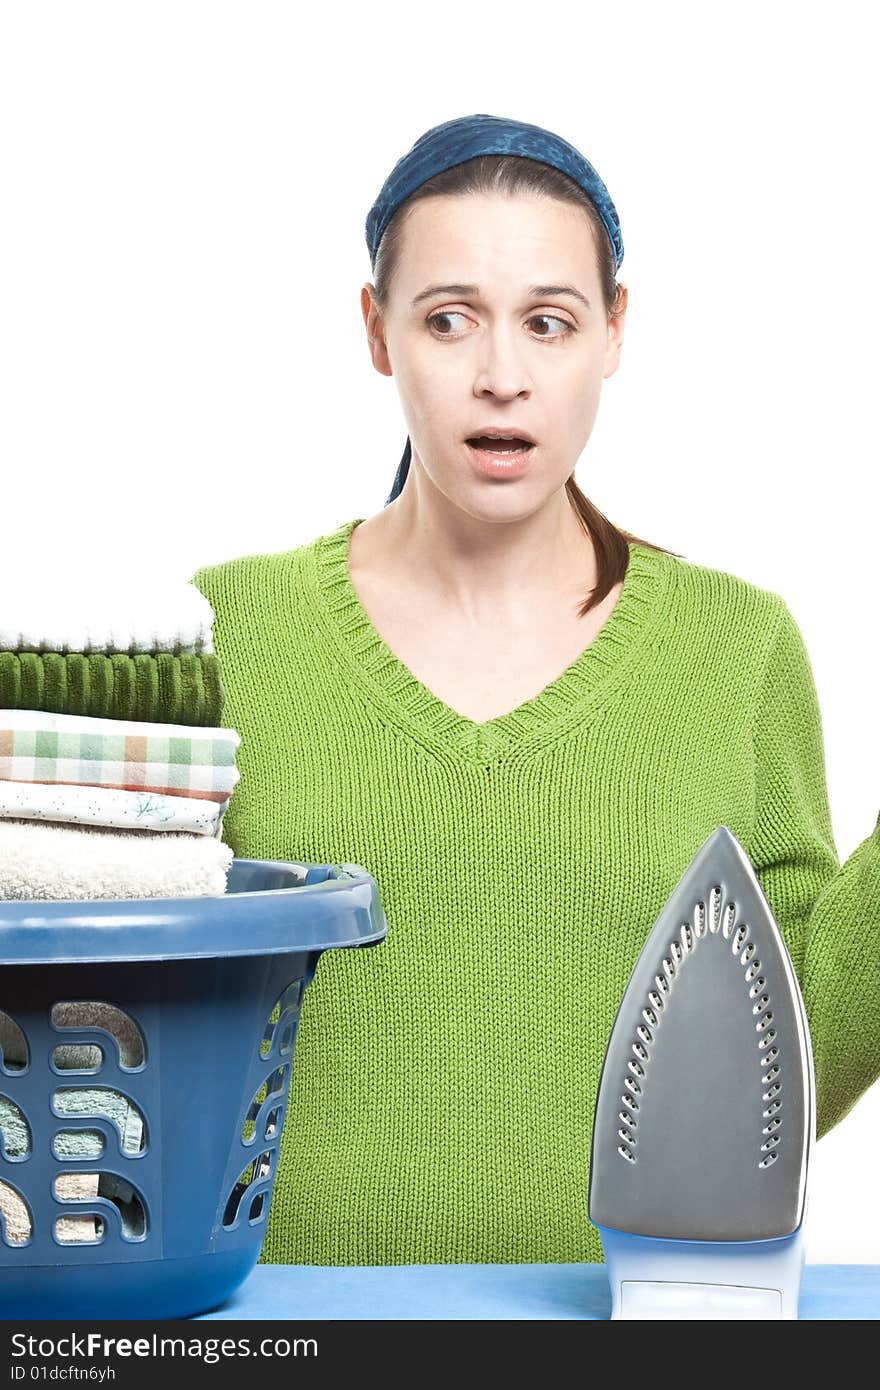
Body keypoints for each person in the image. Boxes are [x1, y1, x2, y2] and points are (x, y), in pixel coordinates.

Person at [192, 113, 880, 1267]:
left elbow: (784, 1054)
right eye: (448, 319)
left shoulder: (739, 646)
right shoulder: (223, 632)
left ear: (614, 331)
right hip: (280, 1332)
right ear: (377, 331)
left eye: (549, 322)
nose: (500, 377)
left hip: (633, 1322)